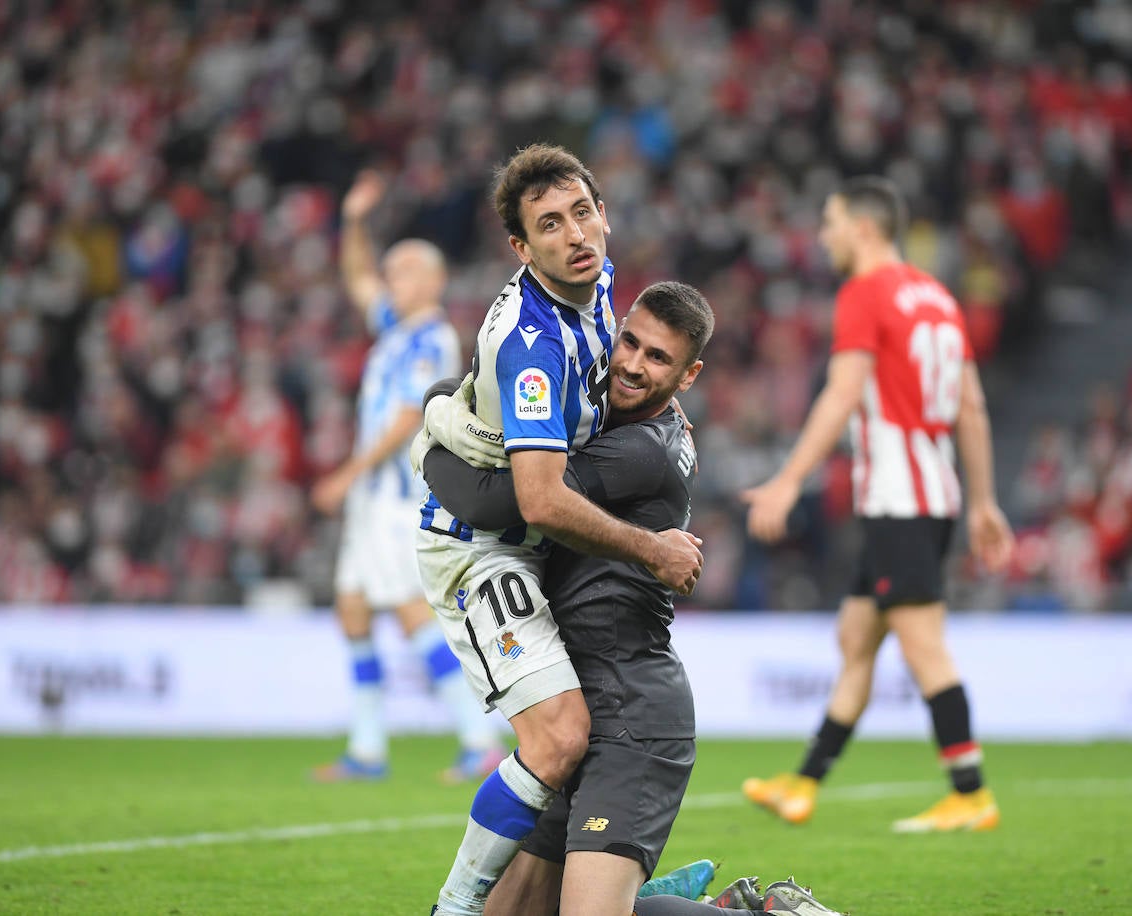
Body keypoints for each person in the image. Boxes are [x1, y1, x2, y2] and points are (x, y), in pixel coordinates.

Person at [424, 284, 844, 916]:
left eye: (658, 359)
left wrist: (430, 430)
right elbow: (507, 383)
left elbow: (501, 500)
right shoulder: (610, 416)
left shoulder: (638, 450)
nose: (632, 365)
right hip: (571, 717)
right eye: (630, 342)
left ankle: (757, 915)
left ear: (689, 375)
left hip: (630, 716)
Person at [414, 144, 704, 916]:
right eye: (550, 225)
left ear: (604, 215)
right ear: (522, 247)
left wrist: (439, 409)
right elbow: (537, 502)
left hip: (537, 562)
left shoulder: (601, 284)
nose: (574, 234)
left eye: (582, 213)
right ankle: (453, 906)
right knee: (555, 738)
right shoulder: (533, 343)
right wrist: (653, 547)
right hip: (481, 549)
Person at [740, 176, 1015, 833]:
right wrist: (982, 500)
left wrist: (787, 479)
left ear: (864, 228)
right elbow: (971, 405)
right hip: (932, 494)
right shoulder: (938, 297)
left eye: (831, 222)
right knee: (856, 639)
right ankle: (803, 784)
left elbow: (841, 394)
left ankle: (970, 792)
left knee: (924, 648)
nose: (825, 234)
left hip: (899, 500)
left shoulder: (865, 292)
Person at [309, 171, 505, 783]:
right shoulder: (396, 326)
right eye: (390, 272)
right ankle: (367, 748)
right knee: (352, 609)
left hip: (398, 496)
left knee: (408, 610)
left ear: (431, 280)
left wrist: (347, 472)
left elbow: (404, 418)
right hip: (373, 499)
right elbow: (356, 276)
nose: (388, 281)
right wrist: (353, 221)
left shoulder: (433, 338)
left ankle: (481, 738)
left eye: (401, 272)